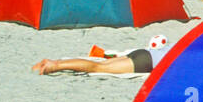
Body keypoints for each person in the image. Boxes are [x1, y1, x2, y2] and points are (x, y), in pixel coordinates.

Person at [32, 38, 171, 75]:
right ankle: (55, 66)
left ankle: (54, 62)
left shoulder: (188, 44)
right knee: (98, 67)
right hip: (145, 62)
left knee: (102, 64)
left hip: (144, 53)